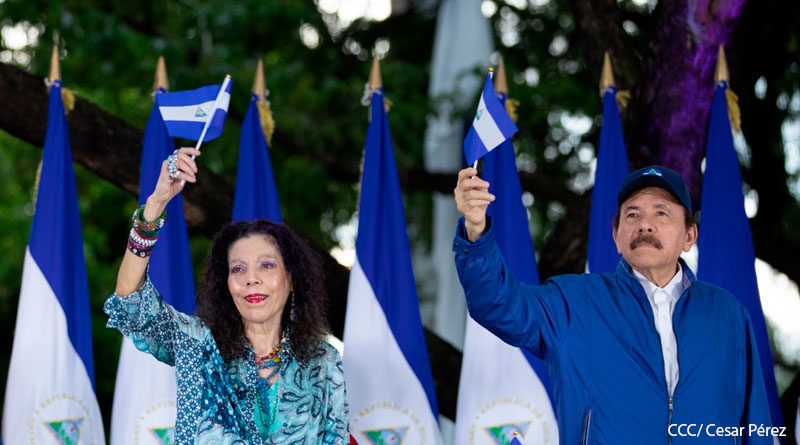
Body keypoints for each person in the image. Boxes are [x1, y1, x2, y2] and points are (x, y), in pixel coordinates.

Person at [453, 165, 774, 444]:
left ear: (689, 236)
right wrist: (476, 231)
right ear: (617, 235)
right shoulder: (572, 301)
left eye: (661, 213)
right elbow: (497, 304)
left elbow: (755, 422)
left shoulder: (727, 313)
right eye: (632, 214)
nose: (645, 225)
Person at [105, 147, 349, 444]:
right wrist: (156, 203)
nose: (251, 279)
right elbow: (129, 300)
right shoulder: (198, 346)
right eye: (238, 269)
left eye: (267, 265)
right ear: (226, 284)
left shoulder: (322, 361)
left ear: (292, 279)